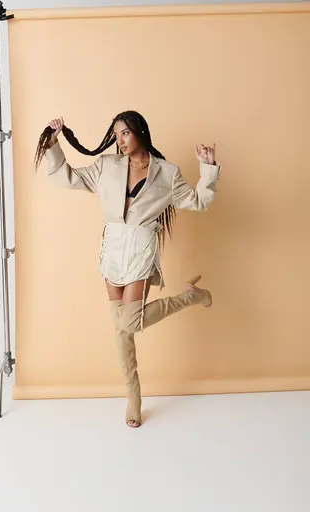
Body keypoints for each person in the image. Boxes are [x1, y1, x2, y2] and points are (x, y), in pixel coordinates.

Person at [34, 111, 222, 428]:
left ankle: (191, 298)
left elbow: (198, 201)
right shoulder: (106, 166)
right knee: (121, 331)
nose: (120, 141)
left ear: (140, 132)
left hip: (140, 252)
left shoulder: (167, 172)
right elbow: (68, 177)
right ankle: (133, 397)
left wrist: (208, 169)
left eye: (125, 133)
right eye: (116, 134)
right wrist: (53, 145)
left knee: (131, 322)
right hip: (112, 250)